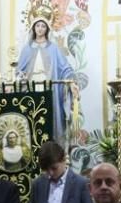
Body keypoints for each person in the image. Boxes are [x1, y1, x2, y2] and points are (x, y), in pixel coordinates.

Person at [16, 15, 78, 144]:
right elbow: (19, 71)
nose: (40, 29)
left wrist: (71, 82)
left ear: (47, 29)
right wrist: (19, 78)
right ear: (33, 28)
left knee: (49, 116)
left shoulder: (53, 48)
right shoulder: (27, 49)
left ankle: (51, 146)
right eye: (37, 25)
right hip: (31, 89)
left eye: (43, 26)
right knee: (32, 117)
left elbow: (65, 68)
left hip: (50, 88)